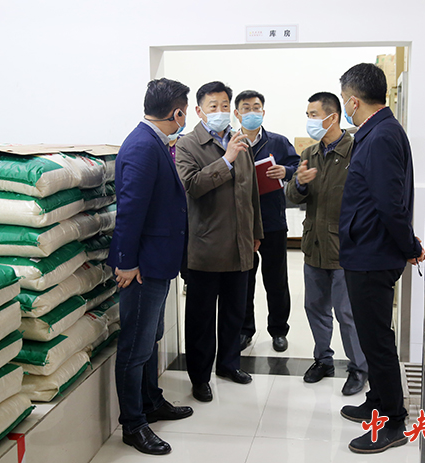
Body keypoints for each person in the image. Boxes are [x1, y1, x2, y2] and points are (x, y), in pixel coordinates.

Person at [338, 63, 425, 454]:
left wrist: (409, 247)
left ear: (354, 101)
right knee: (372, 334)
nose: (346, 107)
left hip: (372, 254)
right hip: (367, 250)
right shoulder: (379, 131)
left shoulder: (381, 136)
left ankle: (392, 421)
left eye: (345, 100)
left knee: (376, 341)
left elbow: (391, 204)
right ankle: (377, 400)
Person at [108, 78, 194, 456]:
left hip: (157, 260)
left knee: (151, 336)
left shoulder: (155, 142)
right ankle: (133, 424)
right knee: (135, 345)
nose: (185, 118)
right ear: (176, 113)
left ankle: (151, 401)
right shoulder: (143, 146)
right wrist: (127, 262)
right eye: (185, 111)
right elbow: (129, 210)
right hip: (142, 265)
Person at [175, 81, 263, 403]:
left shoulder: (240, 141)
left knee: (234, 312)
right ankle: (200, 377)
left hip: (240, 244)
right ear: (199, 111)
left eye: (225, 105)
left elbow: (251, 192)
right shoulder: (187, 145)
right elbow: (192, 186)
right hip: (206, 247)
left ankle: (228, 364)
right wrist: (225, 160)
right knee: (201, 318)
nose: (221, 111)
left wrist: (256, 232)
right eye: (214, 106)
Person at [286, 92, 368, 397]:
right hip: (314, 244)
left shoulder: (356, 151)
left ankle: (359, 367)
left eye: (314, 115)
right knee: (315, 307)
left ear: (332, 117)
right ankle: (323, 359)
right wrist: (299, 182)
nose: (309, 121)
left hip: (346, 248)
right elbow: (292, 196)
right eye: (307, 115)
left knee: (347, 313)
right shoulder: (309, 153)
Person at [233, 90, 299, 353]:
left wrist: (286, 171)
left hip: (272, 222)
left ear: (263, 111)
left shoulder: (278, 142)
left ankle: (279, 330)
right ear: (237, 113)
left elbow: (297, 167)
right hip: (241, 224)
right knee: (244, 282)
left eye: (256, 107)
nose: (252, 112)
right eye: (246, 108)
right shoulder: (230, 142)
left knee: (276, 281)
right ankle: (244, 330)